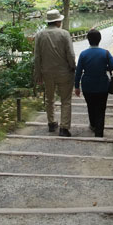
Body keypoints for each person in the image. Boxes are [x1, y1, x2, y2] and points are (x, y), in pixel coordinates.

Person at [34, 9, 75, 137]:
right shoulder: (64, 34)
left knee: (49, 99)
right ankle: (64, 128)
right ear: (57, 21)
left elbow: (37, 57)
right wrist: (73, 67)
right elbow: (70, 54)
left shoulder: (40, 35)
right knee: (66, 100)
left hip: (47, 73)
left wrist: (38, 75)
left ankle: (51, 123)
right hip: (64, 72)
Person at [74, 29, 113, 138]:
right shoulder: (105, 53)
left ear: (88, 40)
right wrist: (104, 67)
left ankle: (93, 125)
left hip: (87, 85)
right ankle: (99, 132)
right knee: (101, 108)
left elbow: (78, 71)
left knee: (91, 106)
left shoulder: (83, 54)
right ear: (100, 40)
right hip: (102, 85)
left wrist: (76, 86)